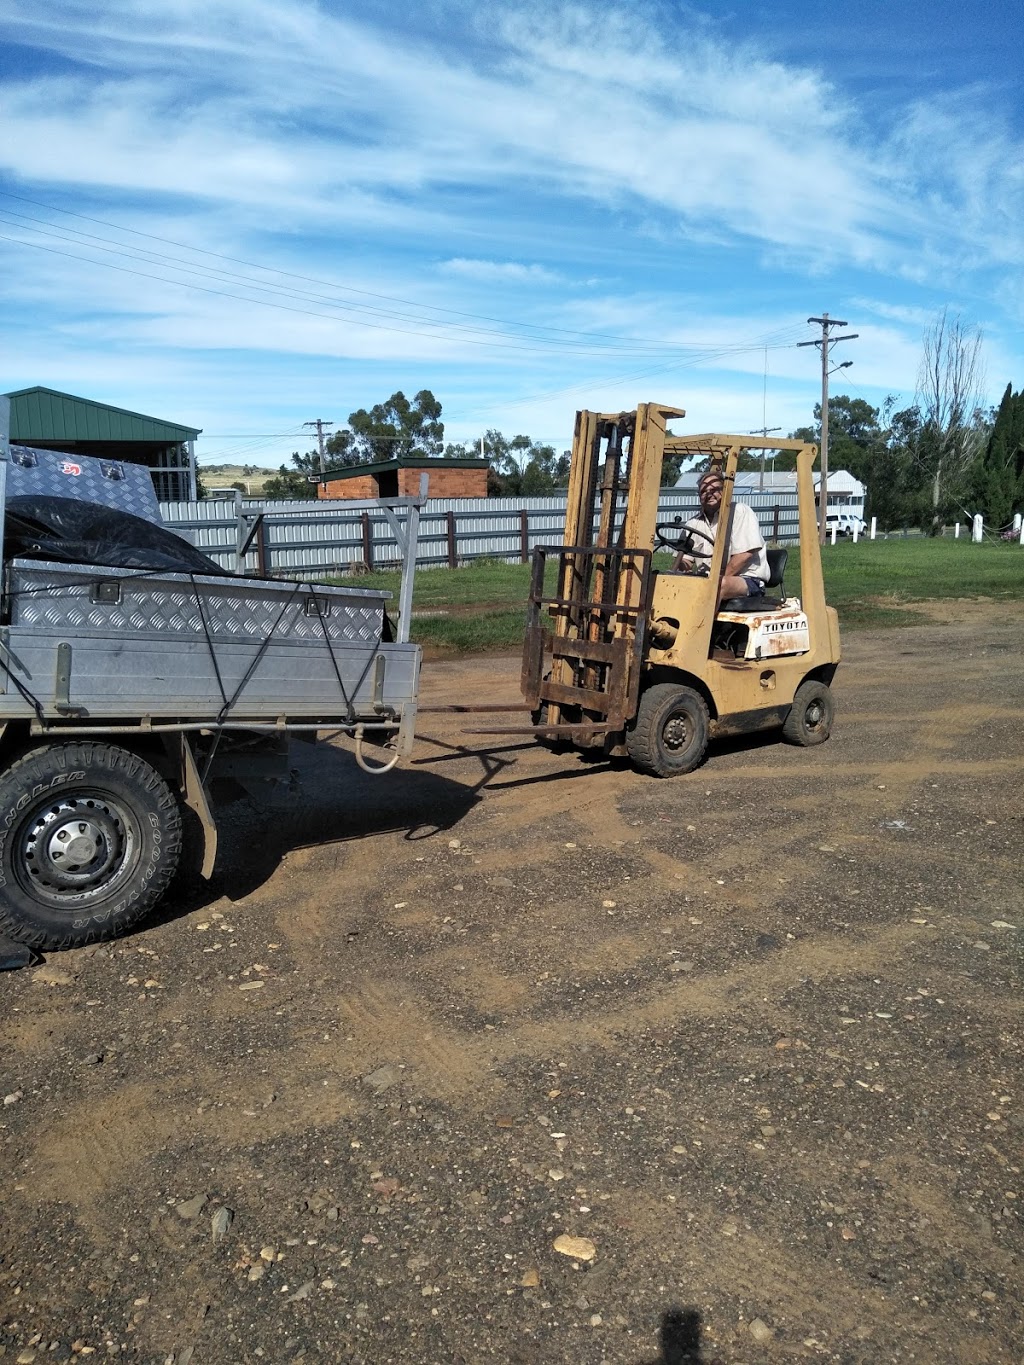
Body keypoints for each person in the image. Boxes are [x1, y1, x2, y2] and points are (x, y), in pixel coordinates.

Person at [673, 469, 768, 605]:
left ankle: (700, 626)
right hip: (707, 580)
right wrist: (680, 566)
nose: (709, 494)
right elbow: (687, 562)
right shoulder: (693, 523)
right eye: (704, 491)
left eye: (714, 490)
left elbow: (744, 555)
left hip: (747, 579)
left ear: (725, 491)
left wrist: (714, 579)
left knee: (717, 585)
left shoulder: (740, 512)